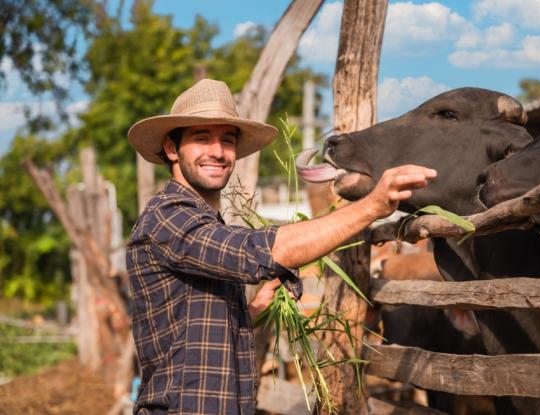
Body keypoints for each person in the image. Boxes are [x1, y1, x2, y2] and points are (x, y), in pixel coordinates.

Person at [126, 78, 437, 415]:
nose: (217, 151)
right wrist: (373, 206)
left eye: (227, 140)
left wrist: (255, 311)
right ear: (172, 149)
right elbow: (261, 251)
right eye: (202, 138)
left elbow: (192, 333)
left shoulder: (206, 226)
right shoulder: (168, 217)